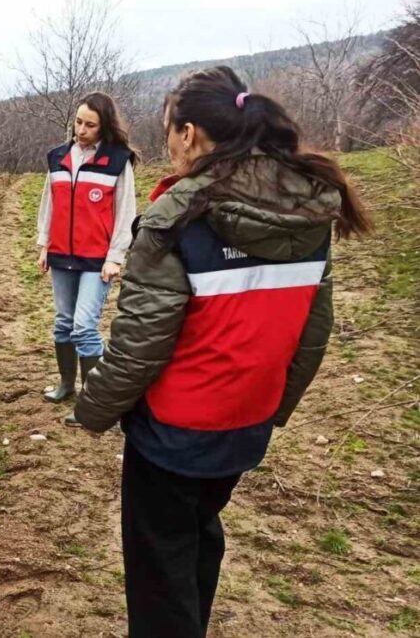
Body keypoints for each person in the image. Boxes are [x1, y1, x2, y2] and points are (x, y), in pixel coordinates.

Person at [73, 66, 372, 638]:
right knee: (201, 532)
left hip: (173, 430)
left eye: (168, 130)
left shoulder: (177, 214)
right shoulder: (308, 205)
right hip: (247, 422)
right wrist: (274, 407)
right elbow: (314, 331)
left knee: (159, 573)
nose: (167, 142)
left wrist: (95, 409)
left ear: (189, 134)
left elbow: (141, 344)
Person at [35, 92, 138, 425]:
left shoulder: (117, 161)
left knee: (83, 327)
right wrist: (43, 244)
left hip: (97, 260)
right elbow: (48, 204)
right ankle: (67, 385)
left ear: (103, 126)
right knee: (64, 323)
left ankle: (96, 400)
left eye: (90, 125)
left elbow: (126, 214)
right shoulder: (58, 158)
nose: (81, 130)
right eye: (78, 122)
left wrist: (115, 257)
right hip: (61, 256)